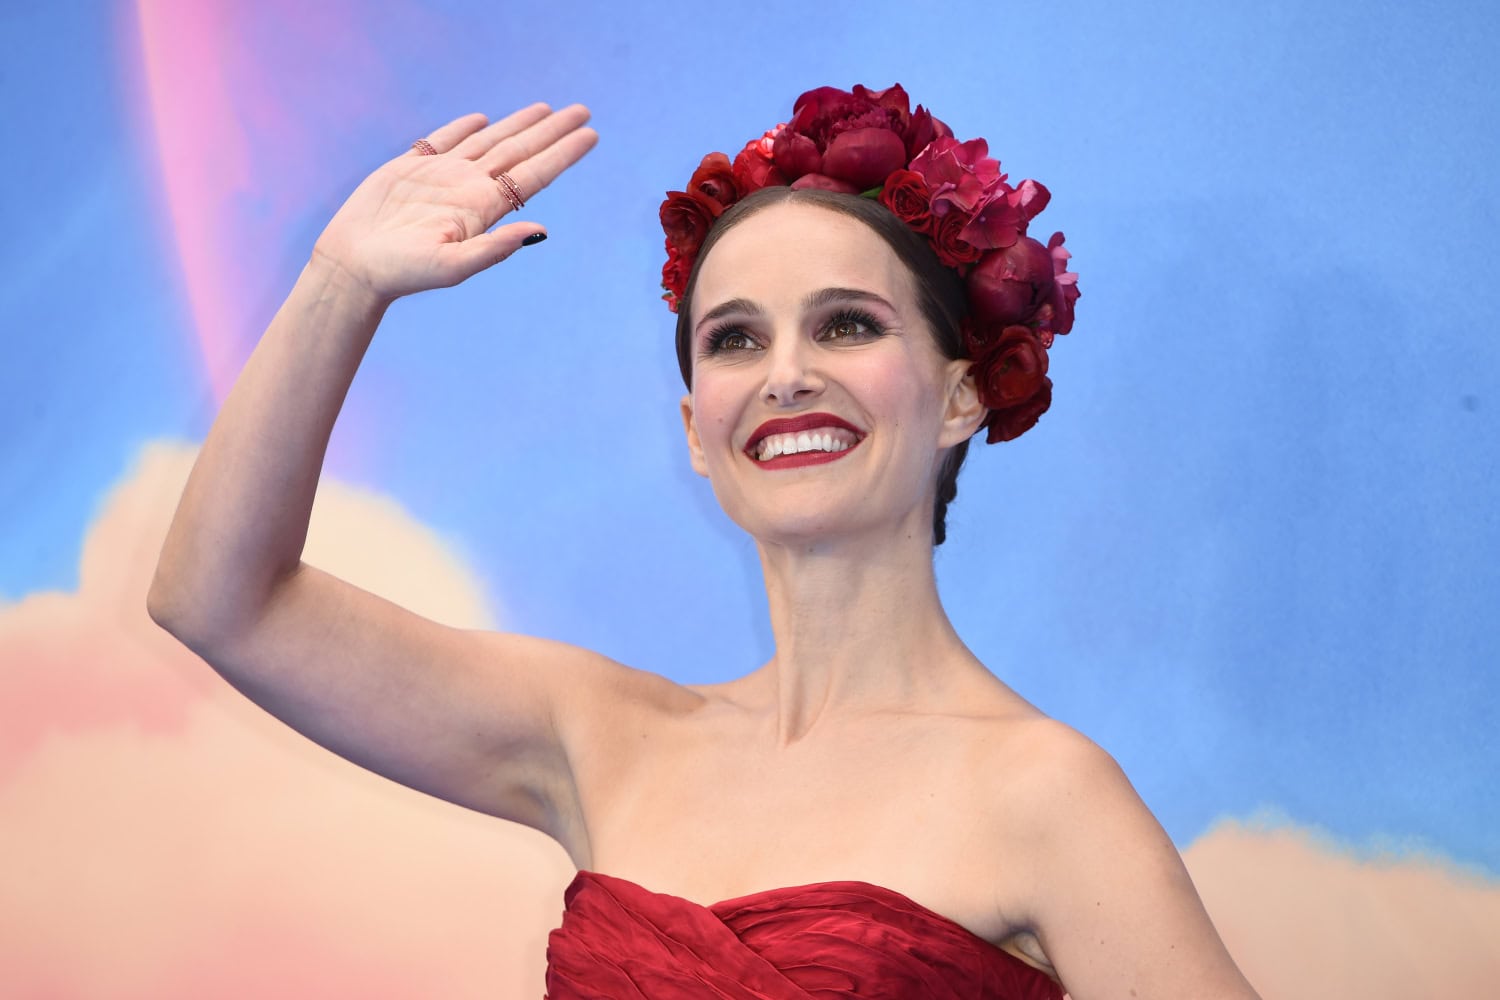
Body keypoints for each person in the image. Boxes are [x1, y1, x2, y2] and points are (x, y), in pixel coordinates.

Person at [149, 87, 1260, 999]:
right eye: (735, 339)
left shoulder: (1047, 794)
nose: (787, 374)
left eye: (847, 324)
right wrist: (342, 283)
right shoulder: (602, 734)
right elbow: (221, 601)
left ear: (965, 394)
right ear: (696, 428)